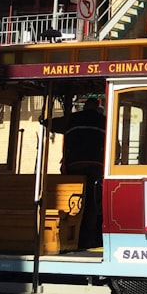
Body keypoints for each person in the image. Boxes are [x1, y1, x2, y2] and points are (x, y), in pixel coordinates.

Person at [51, 97, 107, 249]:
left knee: (72, 199)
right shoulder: (103, 121)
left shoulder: (72, 119)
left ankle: (73, 234)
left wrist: (43, 120)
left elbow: (53, 124)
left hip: (74, 166)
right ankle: (88, 238)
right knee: (92, 201)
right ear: (97, 108)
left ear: (84, 107)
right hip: (95, 166)